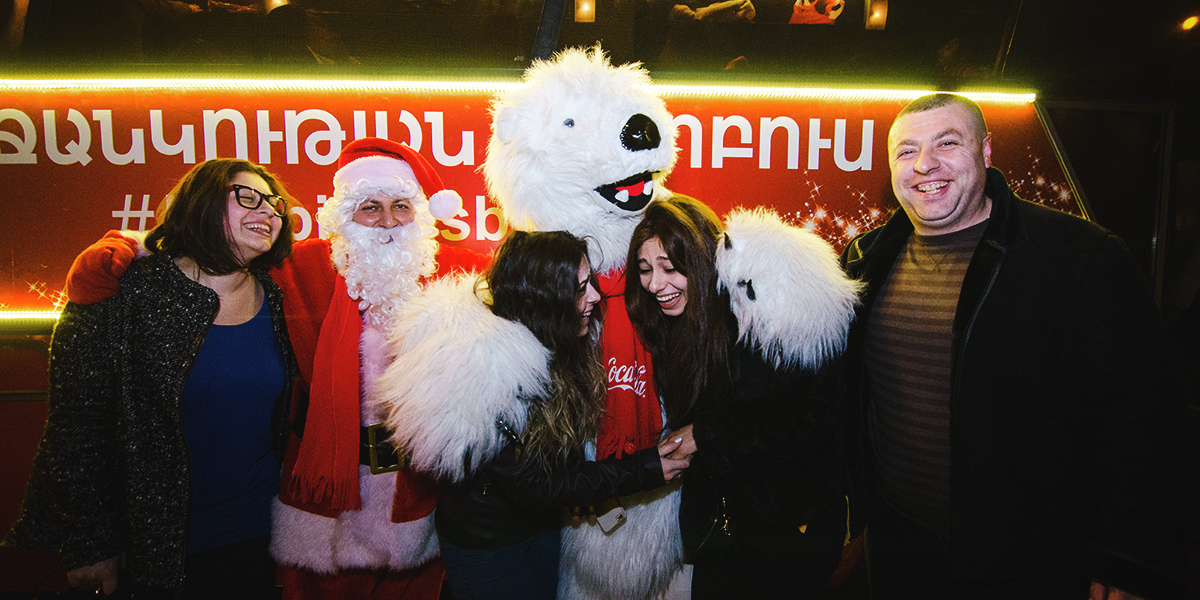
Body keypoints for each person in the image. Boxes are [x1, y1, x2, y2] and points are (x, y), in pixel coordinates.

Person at [53, 137, 490, 600]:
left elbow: (524, 280)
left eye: (402, 206)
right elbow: (206, 253)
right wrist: (123, 248)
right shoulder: (300, 268)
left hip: (421, 492)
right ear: (345, 217)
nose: (387, 221)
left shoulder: (460, 274)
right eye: (369, 207)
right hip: (326, 496)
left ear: (422, 213)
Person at [840, 93, 1187, 599]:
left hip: (1031, 562)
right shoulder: (865, 260)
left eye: (947, 143)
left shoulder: (1080, 257)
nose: (924, 165)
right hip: (900, 553)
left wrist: (1127, 562)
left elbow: (1143, 422)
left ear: (985, 151)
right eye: (906, 151)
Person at [5, 158, 299, 599]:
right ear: (199, 205)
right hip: (144, 546)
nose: (268, 212)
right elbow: (76, 429)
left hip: (253, 535)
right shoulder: (122, 292)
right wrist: (90, 545)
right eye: (246, 197)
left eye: (274, 204)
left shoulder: (282, 294)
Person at [369, 230, 690, 600]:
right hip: (487, 544)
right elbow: (537, 485)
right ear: (544, 299)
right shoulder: (486, 372)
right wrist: (644, 469)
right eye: (580, 288)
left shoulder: (565, 336)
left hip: (542, 528)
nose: (595, 296)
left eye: (591, 282)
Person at [625, 195, 860, 598]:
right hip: (727, 527)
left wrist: (706, 432)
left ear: (700, 260)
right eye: (645, 270)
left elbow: (809, 416)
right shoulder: (677, 324)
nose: (655, 284)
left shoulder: (767, 304)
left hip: (791, 526)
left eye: (670, 267)